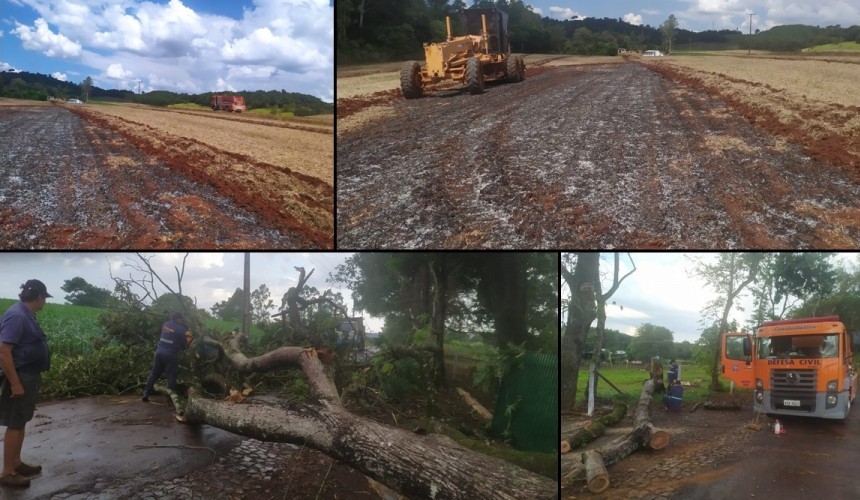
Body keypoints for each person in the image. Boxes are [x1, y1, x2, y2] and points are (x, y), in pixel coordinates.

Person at [0, 280, 53, 488]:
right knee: (15, 422)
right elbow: (4, 351)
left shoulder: (25, 313)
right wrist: (15, 384)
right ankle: (7, 473)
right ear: (39, 297)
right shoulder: (18, 316)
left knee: (21, 420)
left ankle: (16, 463)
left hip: (27, 375)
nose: (45, 302)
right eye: (44, 298)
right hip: (20, 376)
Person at [142, 312, 192, 403]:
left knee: (154, 373)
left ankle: (146, 393)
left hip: (159, 352)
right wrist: (189, 339)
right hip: (170, 355)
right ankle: (170, 398)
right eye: (181, 319)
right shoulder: (181, 329)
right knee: (171, 375)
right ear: (179, 319)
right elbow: (183, 346)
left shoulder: (166, 324)